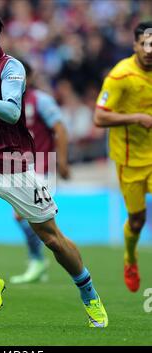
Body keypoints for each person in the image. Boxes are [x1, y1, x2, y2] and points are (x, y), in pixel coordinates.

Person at [0, 8, 108, 327]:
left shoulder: (11, 68)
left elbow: (11, 112)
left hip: (16, 166)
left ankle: (89, 294)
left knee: (52, 239)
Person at [94, 21, 152, 293]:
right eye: (144, 44)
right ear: (135, 45)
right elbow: (99, 116)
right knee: (137, 220)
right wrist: (136, 118)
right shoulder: (120, 76)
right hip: (131, 159)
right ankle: (130, 258)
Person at [10, 60, 70, 284]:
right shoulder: (7, 101)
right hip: (17, 169)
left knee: (23, 216)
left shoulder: (41, 100)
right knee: (26, 218)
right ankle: (39, 260)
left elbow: (60, 130)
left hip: (41, 168)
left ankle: (38, 261)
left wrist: (62, 162)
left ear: (31, 76)